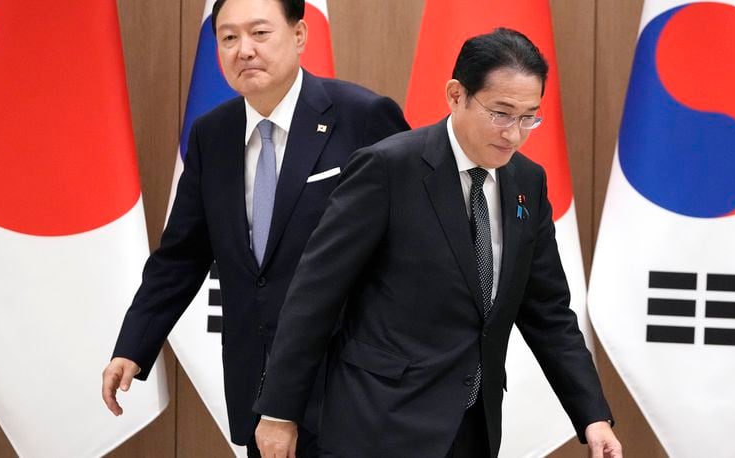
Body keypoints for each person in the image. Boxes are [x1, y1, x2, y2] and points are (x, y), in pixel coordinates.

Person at [253, 28, 622, 457]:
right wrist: (279, 411)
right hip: (378, 422)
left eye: (528, 117)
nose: (514, 134)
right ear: (456, 95)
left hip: (471, 426)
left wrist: (592, 416)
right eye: (500, 113)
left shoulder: (527, 182)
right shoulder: (388, 169)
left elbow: (549, 312)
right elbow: (315, 294)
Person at [100, 0, 409, 455]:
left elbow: (415, 242)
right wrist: (134, 344)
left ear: (300, 35)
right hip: (256, 394)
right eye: (228, 38)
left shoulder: (362, 117)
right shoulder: (213, 136)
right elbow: (182, 255)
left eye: (259, 33)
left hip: (354, 389)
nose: (243, 50)